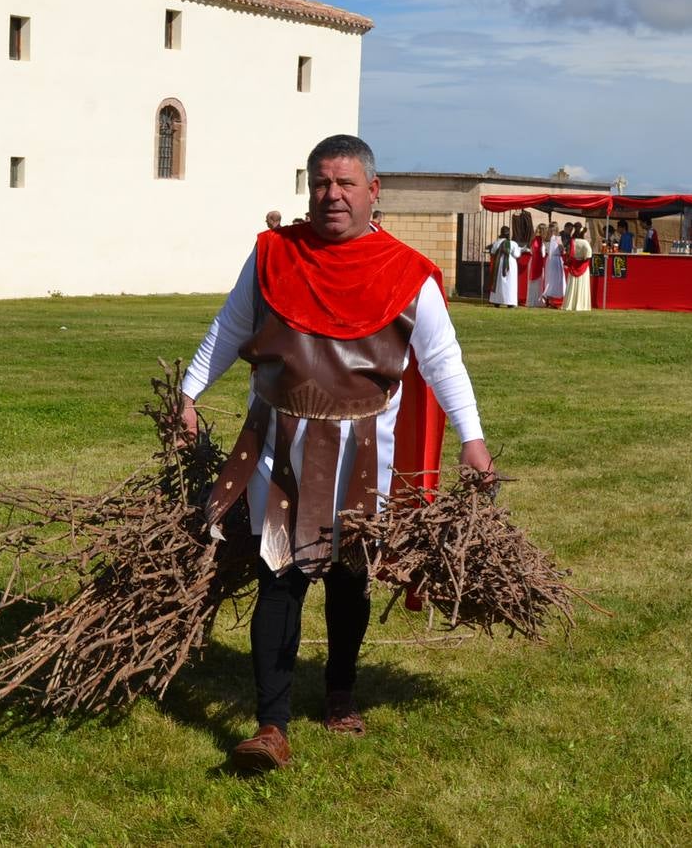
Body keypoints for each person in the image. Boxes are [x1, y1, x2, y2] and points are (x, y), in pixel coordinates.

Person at [178, 135, 493, 772]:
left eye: (346, 184)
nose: (333, 196)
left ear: (373, 192)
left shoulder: (405, 273)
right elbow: (231, 324)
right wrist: (188, 392)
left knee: (349, 577)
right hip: (281, 449)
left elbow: (441, 359)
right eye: (322, 183)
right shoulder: (273, 256)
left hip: (363, 456)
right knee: (280, 575)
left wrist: (473, 437)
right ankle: (272, 723)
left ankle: (341, 689)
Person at [487, 225, 523, 307]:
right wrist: (521, 250)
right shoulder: (513, 243)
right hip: (510, 264)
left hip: (499, 264)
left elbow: (492, 252)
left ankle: (497, 301)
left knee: (499, 282)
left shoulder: (497, 243)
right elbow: (516, 254)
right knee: (510, 283)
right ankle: (510, 302)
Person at [562, 223, 592, 312]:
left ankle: (571, 304)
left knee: (572, 285)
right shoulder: (585, 243)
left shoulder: (573, 241)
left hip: (574, 264)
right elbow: (588, 255)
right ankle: (581, 305)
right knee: (582, 285)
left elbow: (570, 254)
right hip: (583, 266)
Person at [542, 221, 566, 308]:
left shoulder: (547, 238)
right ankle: (549, 298)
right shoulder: (557, 238)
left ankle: (549, 299)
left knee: (551, 279)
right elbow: (562, 249)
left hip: (551, 259)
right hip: (554, 260)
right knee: (553, 280)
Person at [526, 223, 547, 308]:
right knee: (538, 282)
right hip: (537, 262)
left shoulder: (534, 239)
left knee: (534, 283)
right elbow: (543, 253)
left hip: (534, 261)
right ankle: (536, 301)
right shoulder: (541, 241)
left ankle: (532, 300)